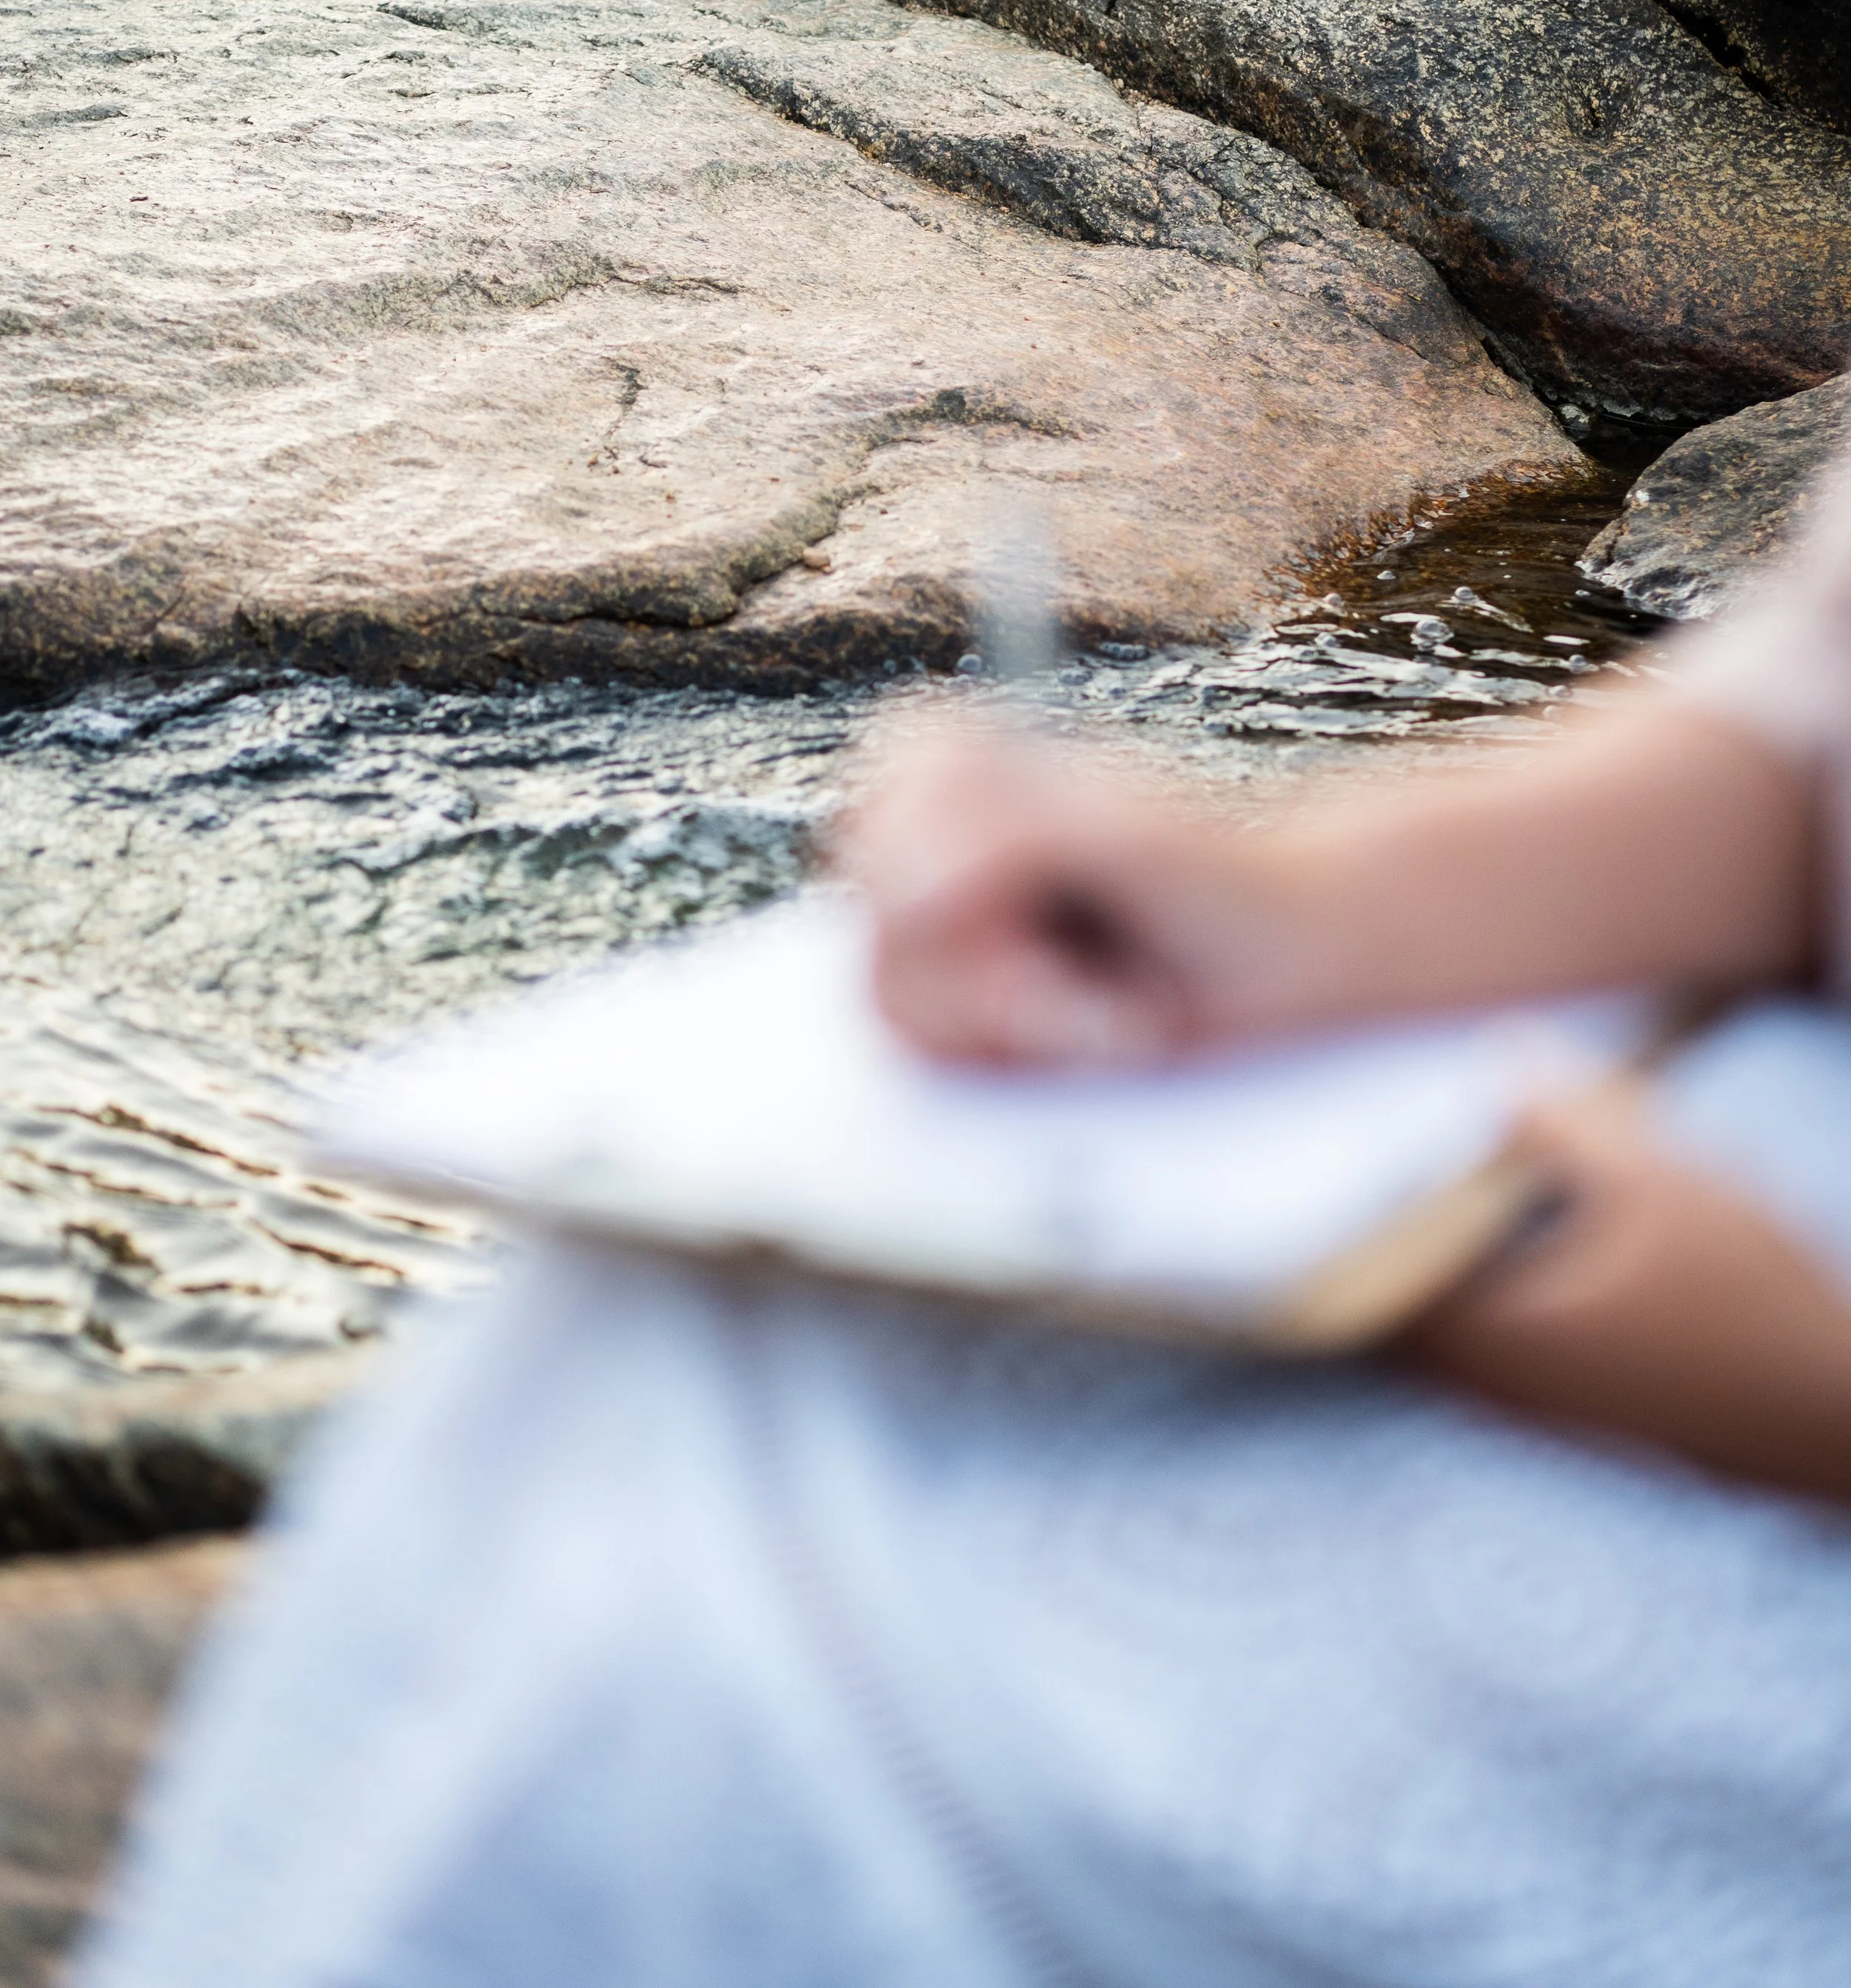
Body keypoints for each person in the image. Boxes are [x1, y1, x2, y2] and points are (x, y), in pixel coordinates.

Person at [76, 453, 1851, 1988]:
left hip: (1762, 1395)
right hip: (1656, 1202)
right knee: (658, 1341)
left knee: (806, 1583)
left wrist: (1783, 1386)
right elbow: (1798, 727)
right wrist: (1286, 903)